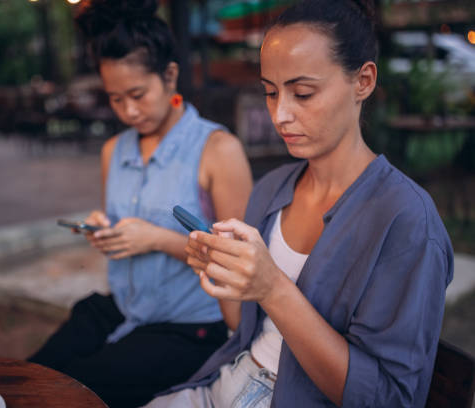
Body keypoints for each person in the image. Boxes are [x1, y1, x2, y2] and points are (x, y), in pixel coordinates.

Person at [144, 0, 454, 407]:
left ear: (363, 81)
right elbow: (245, 328)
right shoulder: (273, 189)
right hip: (227, 379)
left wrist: (273, 288)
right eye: (271, 93)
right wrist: (225, 273)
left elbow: (389, 399)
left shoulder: (405, 221)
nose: (280, 115)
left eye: (302, 93)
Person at [27, 1, 253, 407]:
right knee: (32, 377)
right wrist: (104, 229)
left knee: (75, 392)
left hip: (188, 327)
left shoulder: (218, 149)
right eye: (116, 99)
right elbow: (120, 225)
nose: (129, 111)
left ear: (169, 76)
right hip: (122, 309)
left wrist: (157, 239)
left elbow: (241, 261)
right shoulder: (114, 150)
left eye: (137, 94)